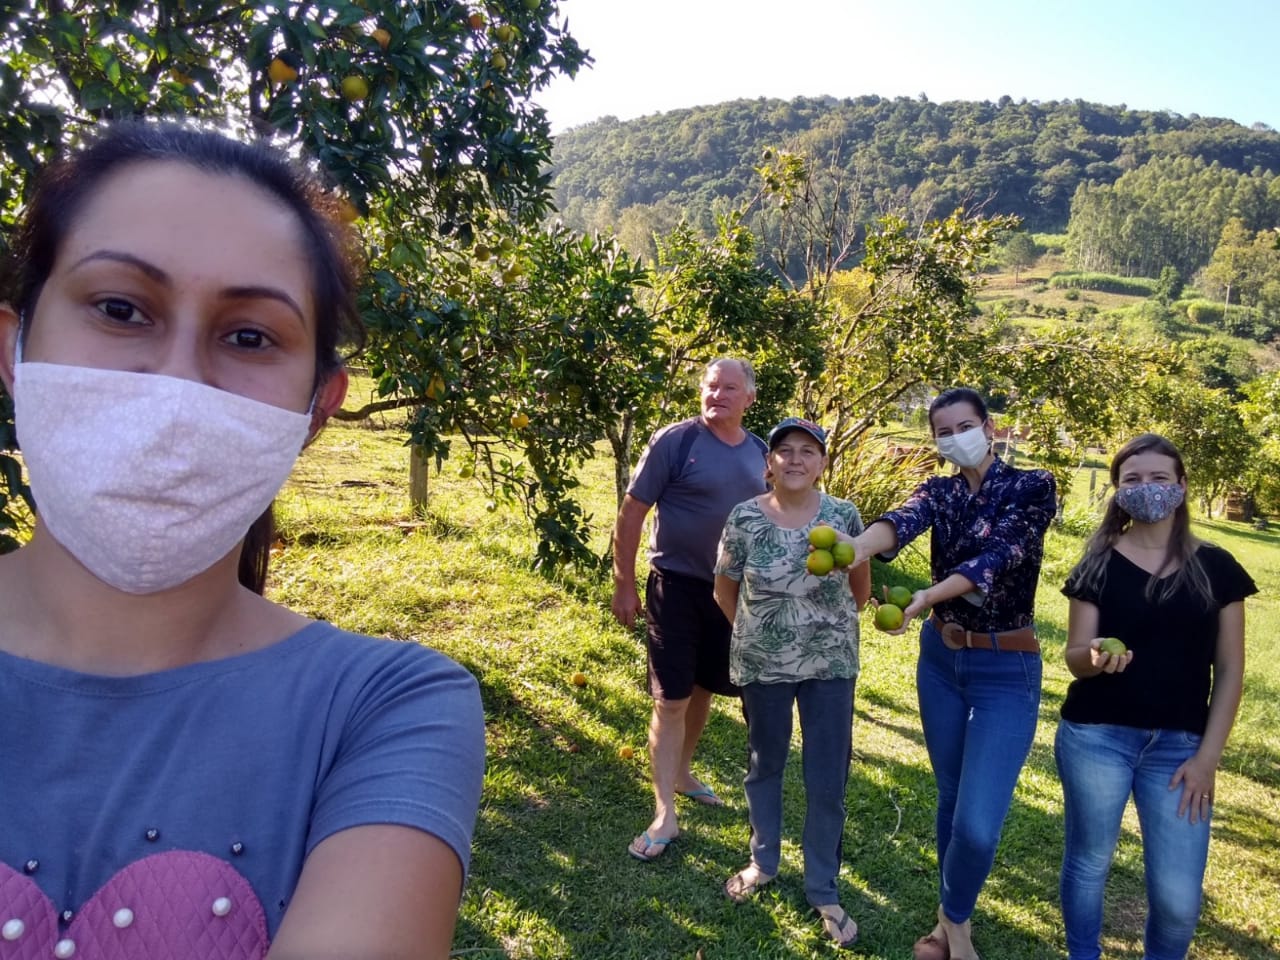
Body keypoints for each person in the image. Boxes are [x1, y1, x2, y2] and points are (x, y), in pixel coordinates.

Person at [0, 123, 484, 959]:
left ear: (316, 410)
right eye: (119, 309)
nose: (178, 383)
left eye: (250, 336)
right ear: (12, 348)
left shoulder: (384, 710)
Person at [848, 387, 1056, 960]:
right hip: (941, 659)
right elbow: (900, 522)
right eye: (942, 432)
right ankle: (953, 923)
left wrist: (924, 597)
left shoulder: (1032, 486)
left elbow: (995, 559)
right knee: (950, 795)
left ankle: (952, 923)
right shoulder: (938, 492)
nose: (954, 438)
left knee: (979, 822)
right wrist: (855, 547)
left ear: (989, 428)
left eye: (964, 425)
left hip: (1005, 667)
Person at [1055, 433, 1255, 960]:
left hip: (1181, 750)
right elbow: (1074, 658)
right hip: (1097, 736)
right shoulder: (1098, 562)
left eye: (1159, 478)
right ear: (1118, 492)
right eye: (1133, 480)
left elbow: (1231, 670)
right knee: (1089, 862)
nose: (1147, 489)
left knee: (1178, 900)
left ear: (1182, 486)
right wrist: (1094, 656)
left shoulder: (1218, 567)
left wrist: (1207, 759)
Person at [713, 417, 871, 949]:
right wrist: (760, 636)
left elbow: (861, 591)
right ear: (769, 463)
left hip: (830, 665)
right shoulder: (744, 519)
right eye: (785, 451)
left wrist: (819, 631)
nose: (796, 459)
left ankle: (823, 887)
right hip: (764, 662)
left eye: (808, 451)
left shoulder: (844, 516)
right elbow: (724, 590)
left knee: (827, 775)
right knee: (765, 763)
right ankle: (763, 862)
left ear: (823, 463)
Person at [611, 357, 768, 861]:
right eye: (709, 385)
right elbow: (633, 511)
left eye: (728, 388)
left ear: (749, 398)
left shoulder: (760, 453)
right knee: (670, 698)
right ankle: (663, 813)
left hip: (730, 595)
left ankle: (681, 773)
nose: (716, 394)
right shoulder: (676, 441)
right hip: (674, 586)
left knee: (704, 687)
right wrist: (623, 584)